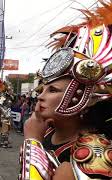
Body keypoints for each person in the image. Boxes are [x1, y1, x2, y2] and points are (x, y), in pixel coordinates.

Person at [19, 3, 112, 179]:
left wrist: (32, 141)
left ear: (82, 97)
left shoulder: (95, 152)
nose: (40, 96)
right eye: (42, 89)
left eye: (52, 90)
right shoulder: (47, 132)